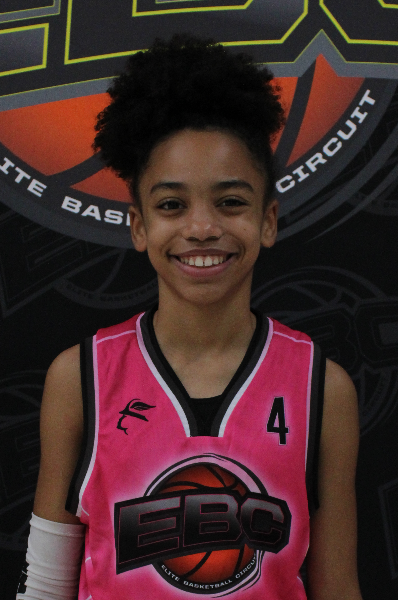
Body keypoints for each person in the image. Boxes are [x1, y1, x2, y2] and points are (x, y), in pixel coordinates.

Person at [17, 35, 363, 600]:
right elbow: (45, 586)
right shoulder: (79, 378)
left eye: (231, 202)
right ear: (139, 226)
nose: (202, 228)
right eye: (172, 205)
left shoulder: (323, 388)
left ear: (268, 221)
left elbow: (337, 586)